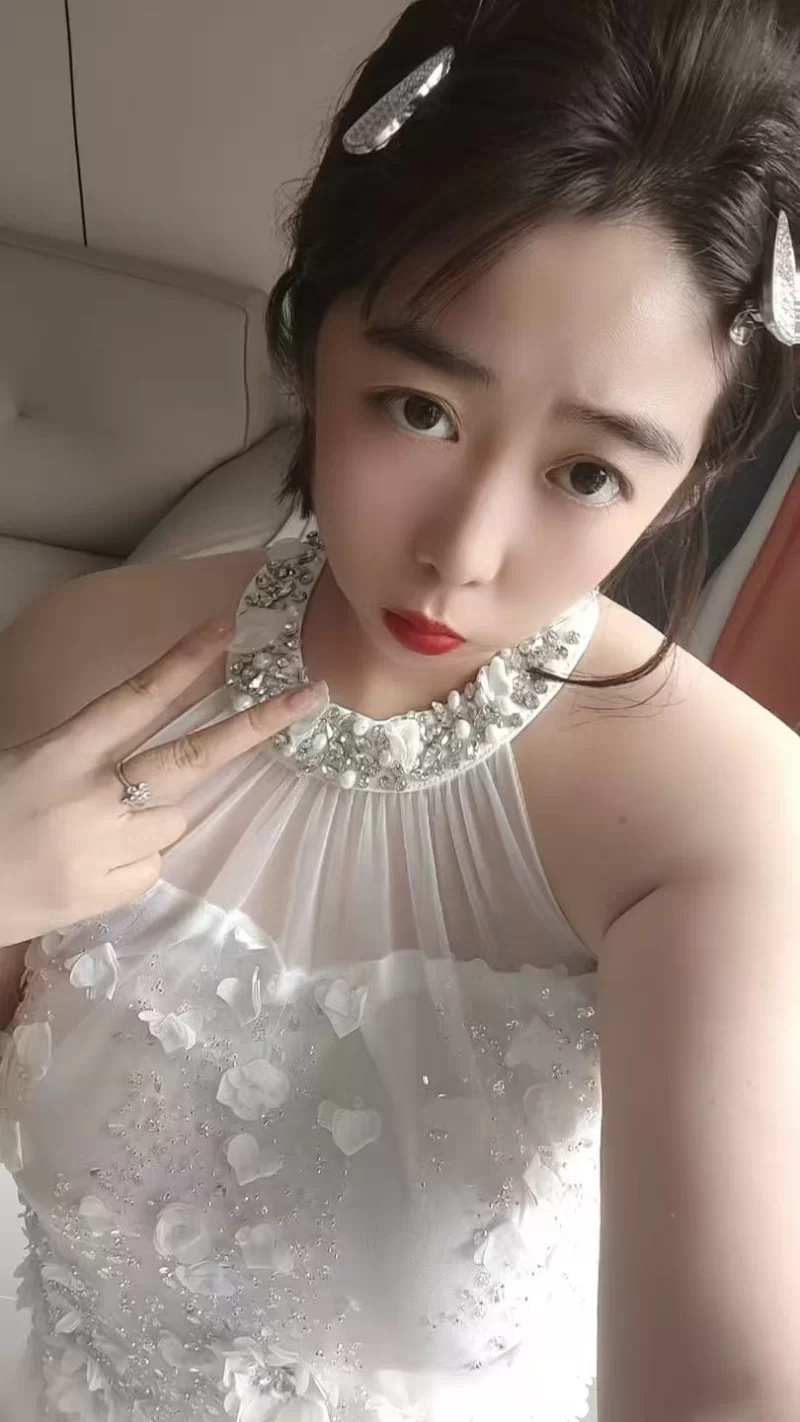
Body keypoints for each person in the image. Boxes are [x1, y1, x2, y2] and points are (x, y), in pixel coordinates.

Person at [0, 0, 799, 1418]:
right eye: (420, 407)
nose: (463, 554)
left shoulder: (718, 817)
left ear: (686, 482)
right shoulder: (69, 662)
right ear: (314, 336)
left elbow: (727, 1375)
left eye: (589, 473)